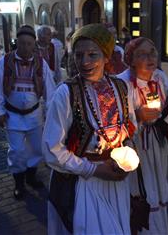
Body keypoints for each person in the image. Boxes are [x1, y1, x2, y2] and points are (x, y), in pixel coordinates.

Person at [42, 23, 138, 235]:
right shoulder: (65, 94)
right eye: (78, 55)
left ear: (106, 57)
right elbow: (52, 150)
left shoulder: (122, 88)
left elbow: (129, 127)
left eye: (92, 55)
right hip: (83, 183)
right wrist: (93, 169)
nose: (84, 62)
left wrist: (128, 151)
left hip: (115, 181)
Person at [117, 37, 168, 235]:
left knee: (156, 181)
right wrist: (137, 116)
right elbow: (114, 118)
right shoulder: (122, 82)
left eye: (152, 53)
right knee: (140, 186)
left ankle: (159, 230)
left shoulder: (160, 78)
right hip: (135, 146)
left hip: (156, 142)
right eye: (142, 54)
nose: (150, 58)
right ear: (131, 59)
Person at [0, 25, 56, 199]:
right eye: (22, 43)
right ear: (16, 42)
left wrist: (50, 113)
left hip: (35, 115)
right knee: (17, 150)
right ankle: (18, 183)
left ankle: (31, 177)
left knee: (36, 149)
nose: (25, 47)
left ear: (34, 44)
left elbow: (50, 89)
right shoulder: (5, 61)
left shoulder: (41, 63)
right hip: (13, 115)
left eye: (29, 44)